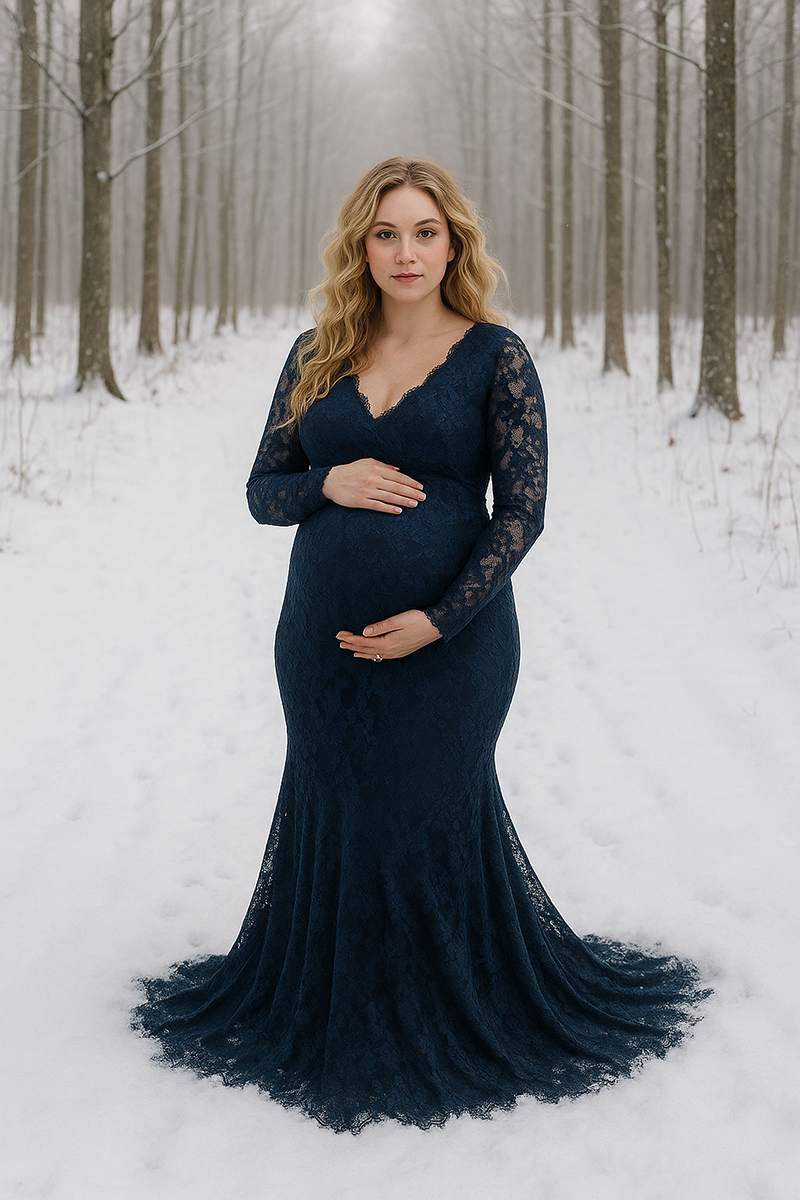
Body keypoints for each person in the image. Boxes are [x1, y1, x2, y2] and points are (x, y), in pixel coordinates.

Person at [133, 157, 708, 1134]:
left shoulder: (495, 357)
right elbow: (261, 493)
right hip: (316, 644)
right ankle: (330, 1006)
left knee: (424, 806)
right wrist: (330, 482)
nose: (405, 252)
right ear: (361, 246)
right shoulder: (315, 353)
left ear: (453, 245)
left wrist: (438, 620)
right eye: (386, 234)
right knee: (342, 806)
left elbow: (520, 515)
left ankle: (455, 1008)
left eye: (424, 233)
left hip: (456, 644)